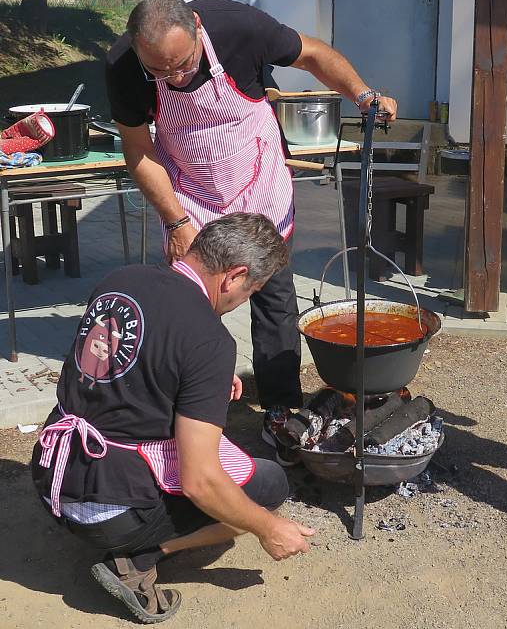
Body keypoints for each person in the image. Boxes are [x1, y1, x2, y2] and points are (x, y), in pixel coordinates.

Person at [106, 0, 398, 460]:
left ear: (198, 28)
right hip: (192, 191)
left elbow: (315, 55)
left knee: (275, 301)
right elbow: (139, 150)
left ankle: (281, 412)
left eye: (181, 64)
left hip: (257, 175)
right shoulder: (124, 63)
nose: (173, 78)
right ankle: (180, 415)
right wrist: (176, 221)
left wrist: (362, 94)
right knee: (189, 307)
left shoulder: (239, 28)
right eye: (158, 72)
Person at [30, 213, 315, 623]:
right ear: (233, 277)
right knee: (268, 483)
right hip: (105, 511)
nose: (243, 300)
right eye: (251, 290)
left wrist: (204, 378)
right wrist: (268, 527)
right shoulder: (208, 339)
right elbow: (201, 482)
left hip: (51, 473)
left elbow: (119, 361)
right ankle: (140, 558)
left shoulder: (121, 280)